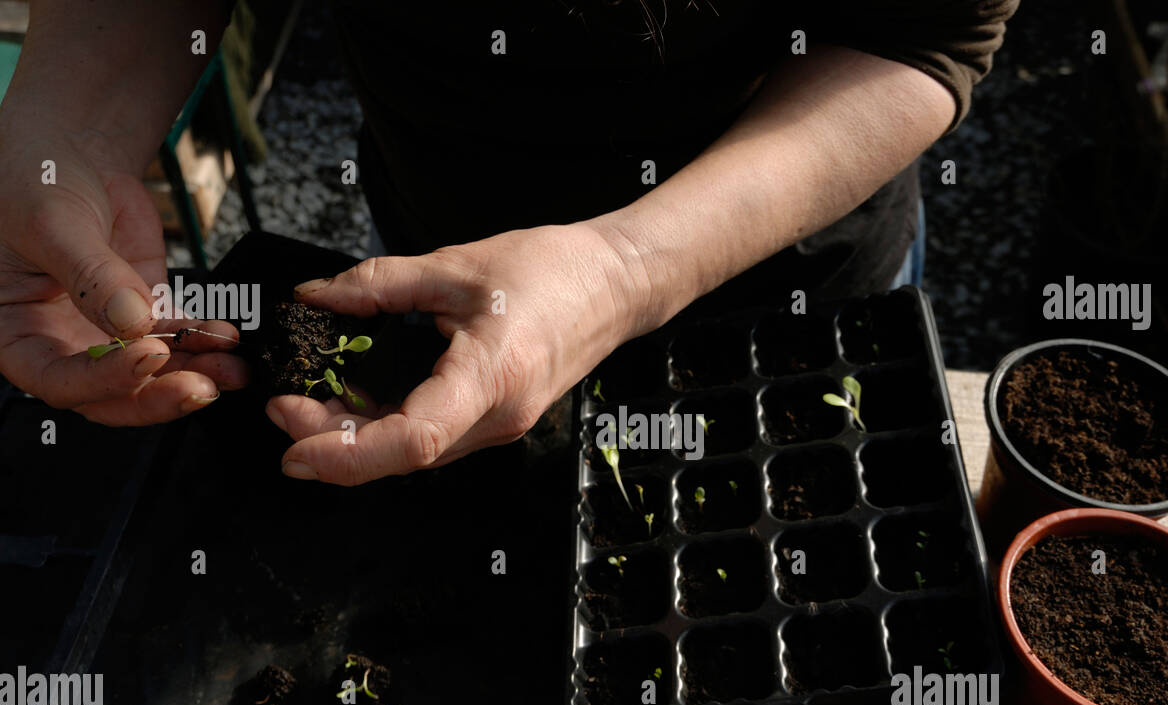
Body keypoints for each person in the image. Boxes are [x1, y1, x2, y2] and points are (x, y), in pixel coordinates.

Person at [0, 1, 1018, 485]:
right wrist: (67, 139)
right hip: (444, 245)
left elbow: (922, 36)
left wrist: (626, 267)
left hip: (781, 273)